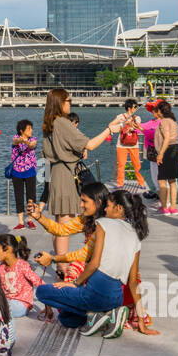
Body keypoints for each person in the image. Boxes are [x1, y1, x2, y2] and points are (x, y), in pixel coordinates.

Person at [35, 183, 147, 338]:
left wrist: (61, 267)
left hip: (97, 284)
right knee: (67, 319)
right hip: (117, 293)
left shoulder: (103, 223)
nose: (80, 205)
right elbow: (134, 281)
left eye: (84, 201)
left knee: (42, 291)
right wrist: (141, 319)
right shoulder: (135, 234)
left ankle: (97, 314)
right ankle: (100, 314)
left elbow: (91, 260)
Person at [40, 88, 115, 259]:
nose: (71, 104)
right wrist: (109, 130)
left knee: (60, 224)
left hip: (56, 173)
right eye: (68, 101)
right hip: (67, 175)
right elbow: (90, 145)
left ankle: (59, 264)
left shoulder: (49, 123)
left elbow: (46, 154)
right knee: (65, 225)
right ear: (60, 103)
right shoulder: (63, 122)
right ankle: (62, 267)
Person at [0, 233, 43, 318]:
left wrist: (48, 305)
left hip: (22, 304)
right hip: (8, 301)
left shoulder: (22, 265)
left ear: (8, 249)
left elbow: (39, 283)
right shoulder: (2, 266)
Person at [10, 119, 39, 230]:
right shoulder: (15, 138)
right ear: (22, 130)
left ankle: (30, 220)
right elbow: (15, 142)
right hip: (16, 172)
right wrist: (20, 140)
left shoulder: (33, 139)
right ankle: (21, 222)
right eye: (29, 129)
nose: (31, 130)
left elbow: (32, 145)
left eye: (31, 128)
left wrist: (26, 141)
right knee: (19, 196)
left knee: (31, 196)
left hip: (30, 171)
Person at [154, 101, 178, 215]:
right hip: (175, 150)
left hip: (167, 150)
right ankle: (173, 207)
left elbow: (167, 138)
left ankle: (164, 207)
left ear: (160, 111)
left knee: (162, 180)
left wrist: (160, 154)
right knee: (172, 180)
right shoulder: (173, 121)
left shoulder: (164, 121)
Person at [111, 99, 144, 187]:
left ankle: (141, 183)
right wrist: (122, 124)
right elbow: (111, 125)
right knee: (121, 165)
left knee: (137, 165)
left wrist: (133, 124)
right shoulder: (120, 117)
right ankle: (120, 184)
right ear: (129, 108)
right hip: (121, 144)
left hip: (134, 144)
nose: (136, 108)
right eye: (135, 107)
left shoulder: (137, 117)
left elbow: (139, 127)